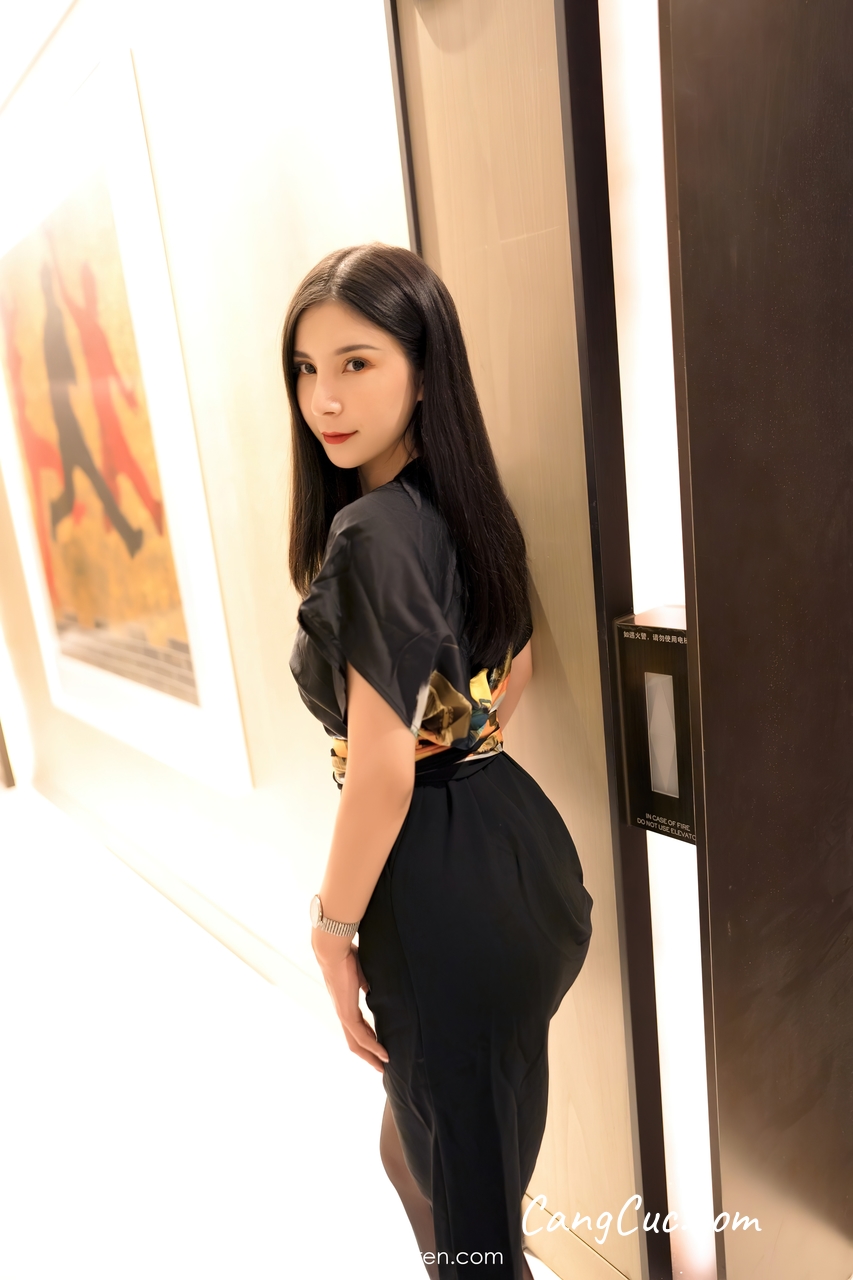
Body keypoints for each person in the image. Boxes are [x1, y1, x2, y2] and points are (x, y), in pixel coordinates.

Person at [285, 244, 593, 1280]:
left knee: (472, 1233)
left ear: (424, 370)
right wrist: (453, 736)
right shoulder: (461, 499)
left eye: (356, 363)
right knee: (426, 1157)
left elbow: (381, 773)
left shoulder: (373, 532)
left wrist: (331, 931)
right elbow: (516, 670)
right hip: (520, 856)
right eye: (305, 369)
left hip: (443, 900)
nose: (323, 399)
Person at [40, 264, 143, 558]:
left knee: (82, 489)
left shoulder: (51, 320)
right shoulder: (54, 319)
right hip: (68, 424)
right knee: (98, 484)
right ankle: (129, 536)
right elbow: (61, 364)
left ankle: (61, 509)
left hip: (66, 421)